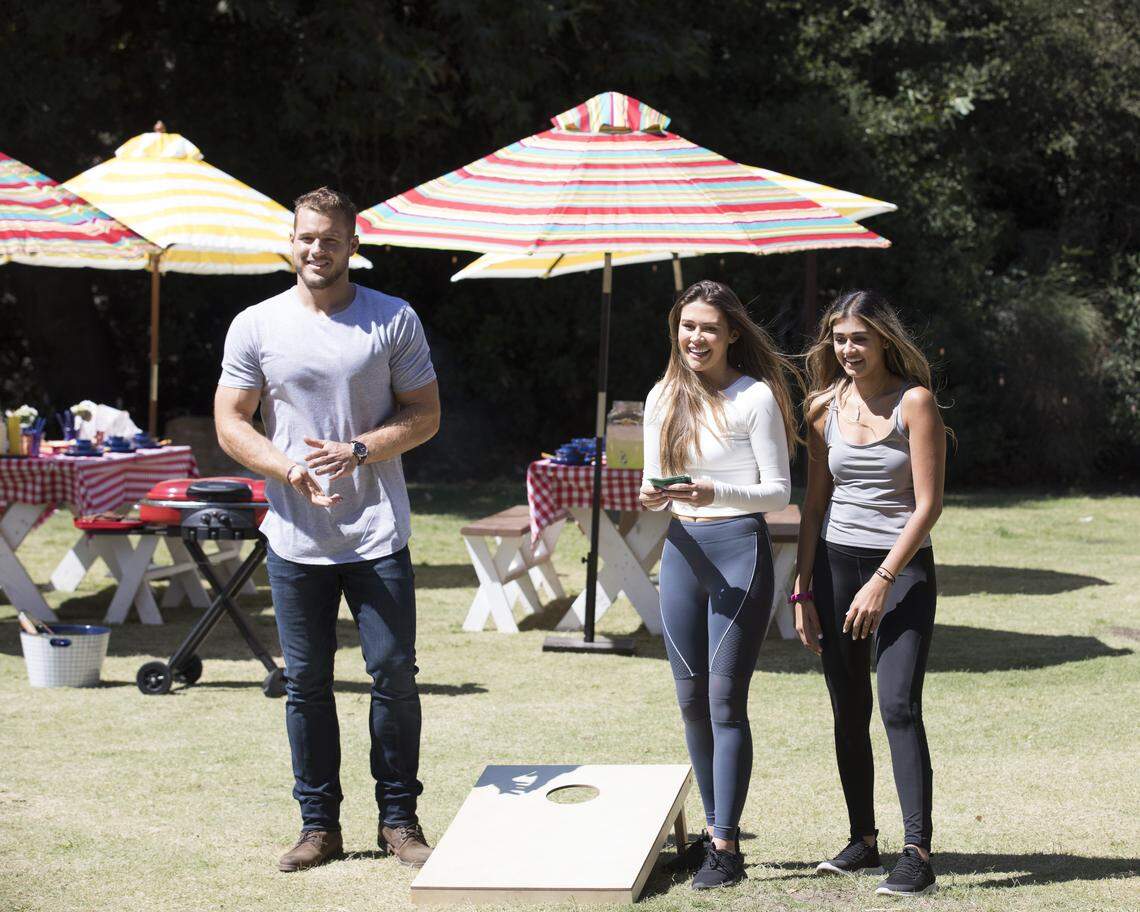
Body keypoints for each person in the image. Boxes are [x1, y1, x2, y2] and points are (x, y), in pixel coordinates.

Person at [215, 186, 441, 873]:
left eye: (331, 239)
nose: (318, 249)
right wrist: (287, 469)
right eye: (307, 237)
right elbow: (232, 420)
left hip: (376, 533)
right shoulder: (255, 324)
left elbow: (426, 413)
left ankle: (399, 821)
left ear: (353, 245)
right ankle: (319, 827)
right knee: (306, 684)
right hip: (293, 538)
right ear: (293, 239)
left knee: (394, 675)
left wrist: (360, 449)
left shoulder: (392, 319)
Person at [639, 280, 801, 890]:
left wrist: (716, 493)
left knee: (724, 702)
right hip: (682, 550)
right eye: (687, 326)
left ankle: (728, 847)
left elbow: (779, 492)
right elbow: (655, 483)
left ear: (732, 333)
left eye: (708, 327)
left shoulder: (754, 396)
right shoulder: (662, 396)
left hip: (738, 549)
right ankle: (710, 834)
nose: (696, 338)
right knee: (689, 701)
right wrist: (655, 493)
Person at [791, 289, 947, 897]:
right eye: (839, 338)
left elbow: (929, 505)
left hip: (901, 571)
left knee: (899, 705)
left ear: (884, 338)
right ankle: (863, 839)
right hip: (834, 568)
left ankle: (917, 852)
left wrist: (883, 578)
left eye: (859, 337)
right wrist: (803, 592)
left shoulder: (915, 403)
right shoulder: (822, 407)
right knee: (847, 706)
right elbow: (813, 506)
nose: (848, 349)